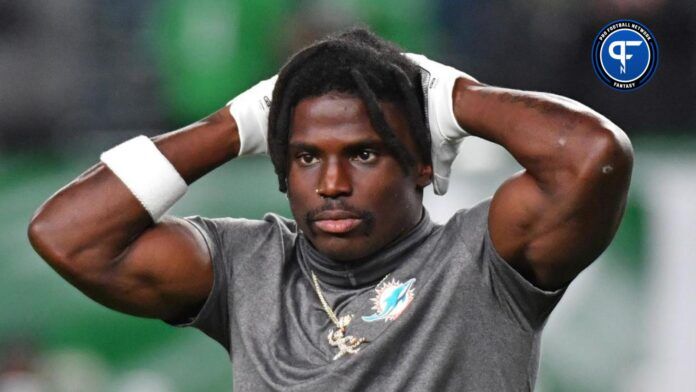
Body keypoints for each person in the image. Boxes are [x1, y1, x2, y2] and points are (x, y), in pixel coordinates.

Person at [27, 28, 633, 391]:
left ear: (422, 163)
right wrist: (233, 125)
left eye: (365, 153)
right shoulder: (244, 267)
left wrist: (452, 98)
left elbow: (592, 154)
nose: (333, 183)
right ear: (281, 170)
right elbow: (68, 235)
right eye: (307, 157)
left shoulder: (485, 262)